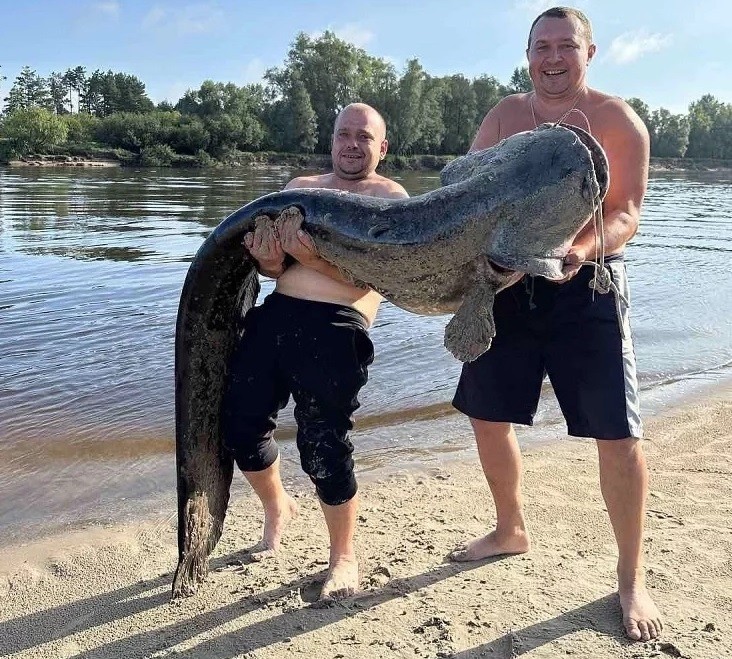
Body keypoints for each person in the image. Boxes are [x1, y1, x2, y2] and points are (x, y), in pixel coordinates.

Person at [449, 7, 663, 642]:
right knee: (486, 413)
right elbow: (467, 192)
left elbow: (625, 213)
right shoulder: (503, 118)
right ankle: (510, 527)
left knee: (618, 434)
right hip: (506, 283)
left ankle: (630, 578)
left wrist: (579, 249)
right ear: (528, 54)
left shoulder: (618, 121)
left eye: (565, 45)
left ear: (589, 53)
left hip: (587, 284)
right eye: (541, 46)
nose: (552, 57)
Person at [221, 103, 408, 601]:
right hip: (277, 315)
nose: (351, 143)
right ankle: (277, 508)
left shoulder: (390, 197)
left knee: (324, 443)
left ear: (382, 147)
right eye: (343, 133)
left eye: (363, 137)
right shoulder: (300, 187)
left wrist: (311, 258)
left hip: (339, 325)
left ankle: (343, 557)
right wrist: (270, 260)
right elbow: (277, 271)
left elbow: (379, 276)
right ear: (331, 139)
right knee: (240, 425)